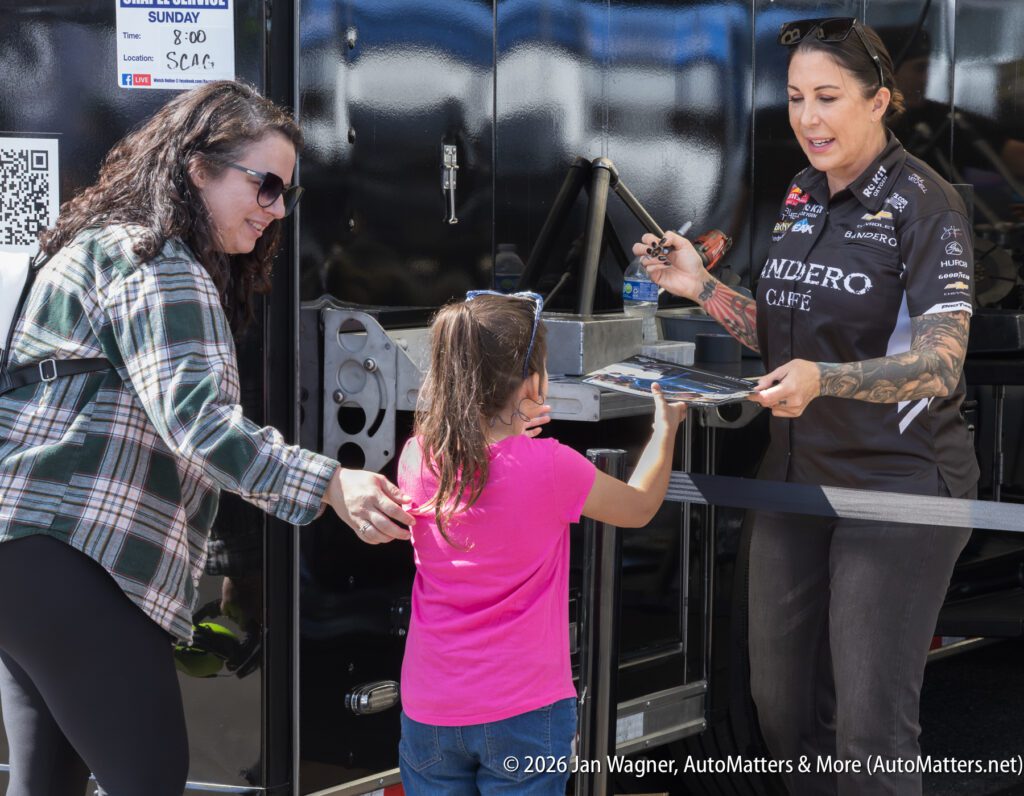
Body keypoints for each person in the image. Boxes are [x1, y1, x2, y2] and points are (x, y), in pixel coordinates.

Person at [0, 80, 415, 796]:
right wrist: (329, 481)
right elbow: (198, 424)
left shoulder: (101, 246)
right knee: (150, 779)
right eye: (264, 185)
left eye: (286, 194)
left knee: (49, 781)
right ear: (197, 167)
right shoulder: (158, 263)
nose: (275, 209)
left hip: (25, 554)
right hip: (67, 553)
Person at [634, 18, 978, 795]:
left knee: (869, 731)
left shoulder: (928, 204)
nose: (807, 118)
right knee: (781, 712)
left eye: (828, 98)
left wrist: (826, 380)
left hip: (899, 488)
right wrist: (701, 289)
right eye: (794, 98)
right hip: (793, 479)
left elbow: (941, 365)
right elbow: (782, 330)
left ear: (880, 101)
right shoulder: (801, 191)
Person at [395, 290, 686, 794]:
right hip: (523, 709)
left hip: (429, 706)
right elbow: (638, 506)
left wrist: (509, 433)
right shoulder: (552, 466)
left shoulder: (417, 457)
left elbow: (482, 470)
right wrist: (666, 429)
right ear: (532, 382)